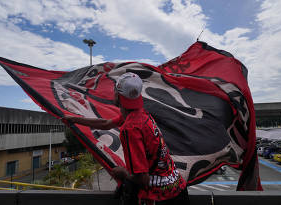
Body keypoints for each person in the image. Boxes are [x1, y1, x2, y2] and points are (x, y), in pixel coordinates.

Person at [63, 72, 188, 204]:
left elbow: (143, 179)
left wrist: (123, 173)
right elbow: (106, 124)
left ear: (117, 95)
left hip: (163, 198)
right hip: (178, 187)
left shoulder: (130, 128)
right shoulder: (141, 114)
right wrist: (74, 119)